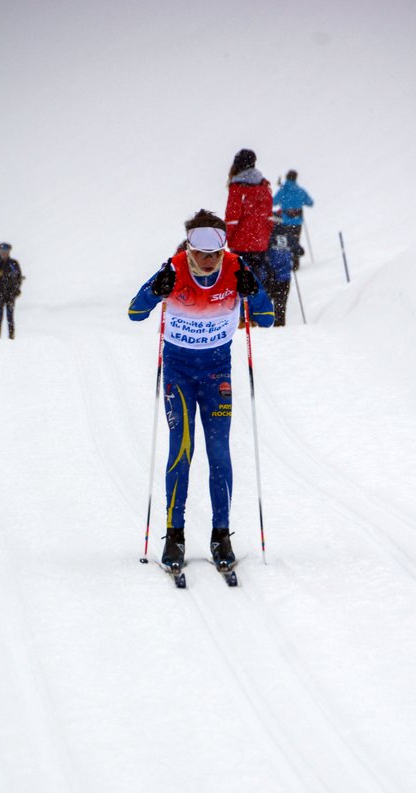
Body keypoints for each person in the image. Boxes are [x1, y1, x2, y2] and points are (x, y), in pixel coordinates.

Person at [128, 209, 274, 570]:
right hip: (178, 373)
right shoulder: (174, 269)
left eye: (215, 254)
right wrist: (155, 291)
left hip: (216, 374)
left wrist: (253, 294)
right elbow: (135, 312)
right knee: (182, 450)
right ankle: (174, 536)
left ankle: (221, 535)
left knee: (219, 453)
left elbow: (267, 318)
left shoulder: (236, 268)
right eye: (200, 254)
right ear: (189, 249)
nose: (208, 261)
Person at [225, 149, 274, 285]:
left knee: (242, 282)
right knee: (259, 280)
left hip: (240, 243)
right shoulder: (264, 185)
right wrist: (265, 236)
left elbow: (232, 218)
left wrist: (226, 237)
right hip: (260, 242)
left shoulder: (237, 187)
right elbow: (269, 217)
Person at [273, 170, 314, 270]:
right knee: (296, 240)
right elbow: (310, 202)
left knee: (285, 242)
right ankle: (296, 263)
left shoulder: (283, 190)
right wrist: (299, 202)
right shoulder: (300, 190)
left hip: (285, 221)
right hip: (297, 221)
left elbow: (274, 202)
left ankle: (286, 262)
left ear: (287, 177)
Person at [265, 233, 293, 327]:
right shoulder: (288, 238)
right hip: (284, 278)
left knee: (267, 304)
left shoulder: (269, 239)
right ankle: (279, 325)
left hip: (271, 278)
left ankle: (265, 326)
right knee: (280, 305)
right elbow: (299, 251)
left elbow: (266, 260)